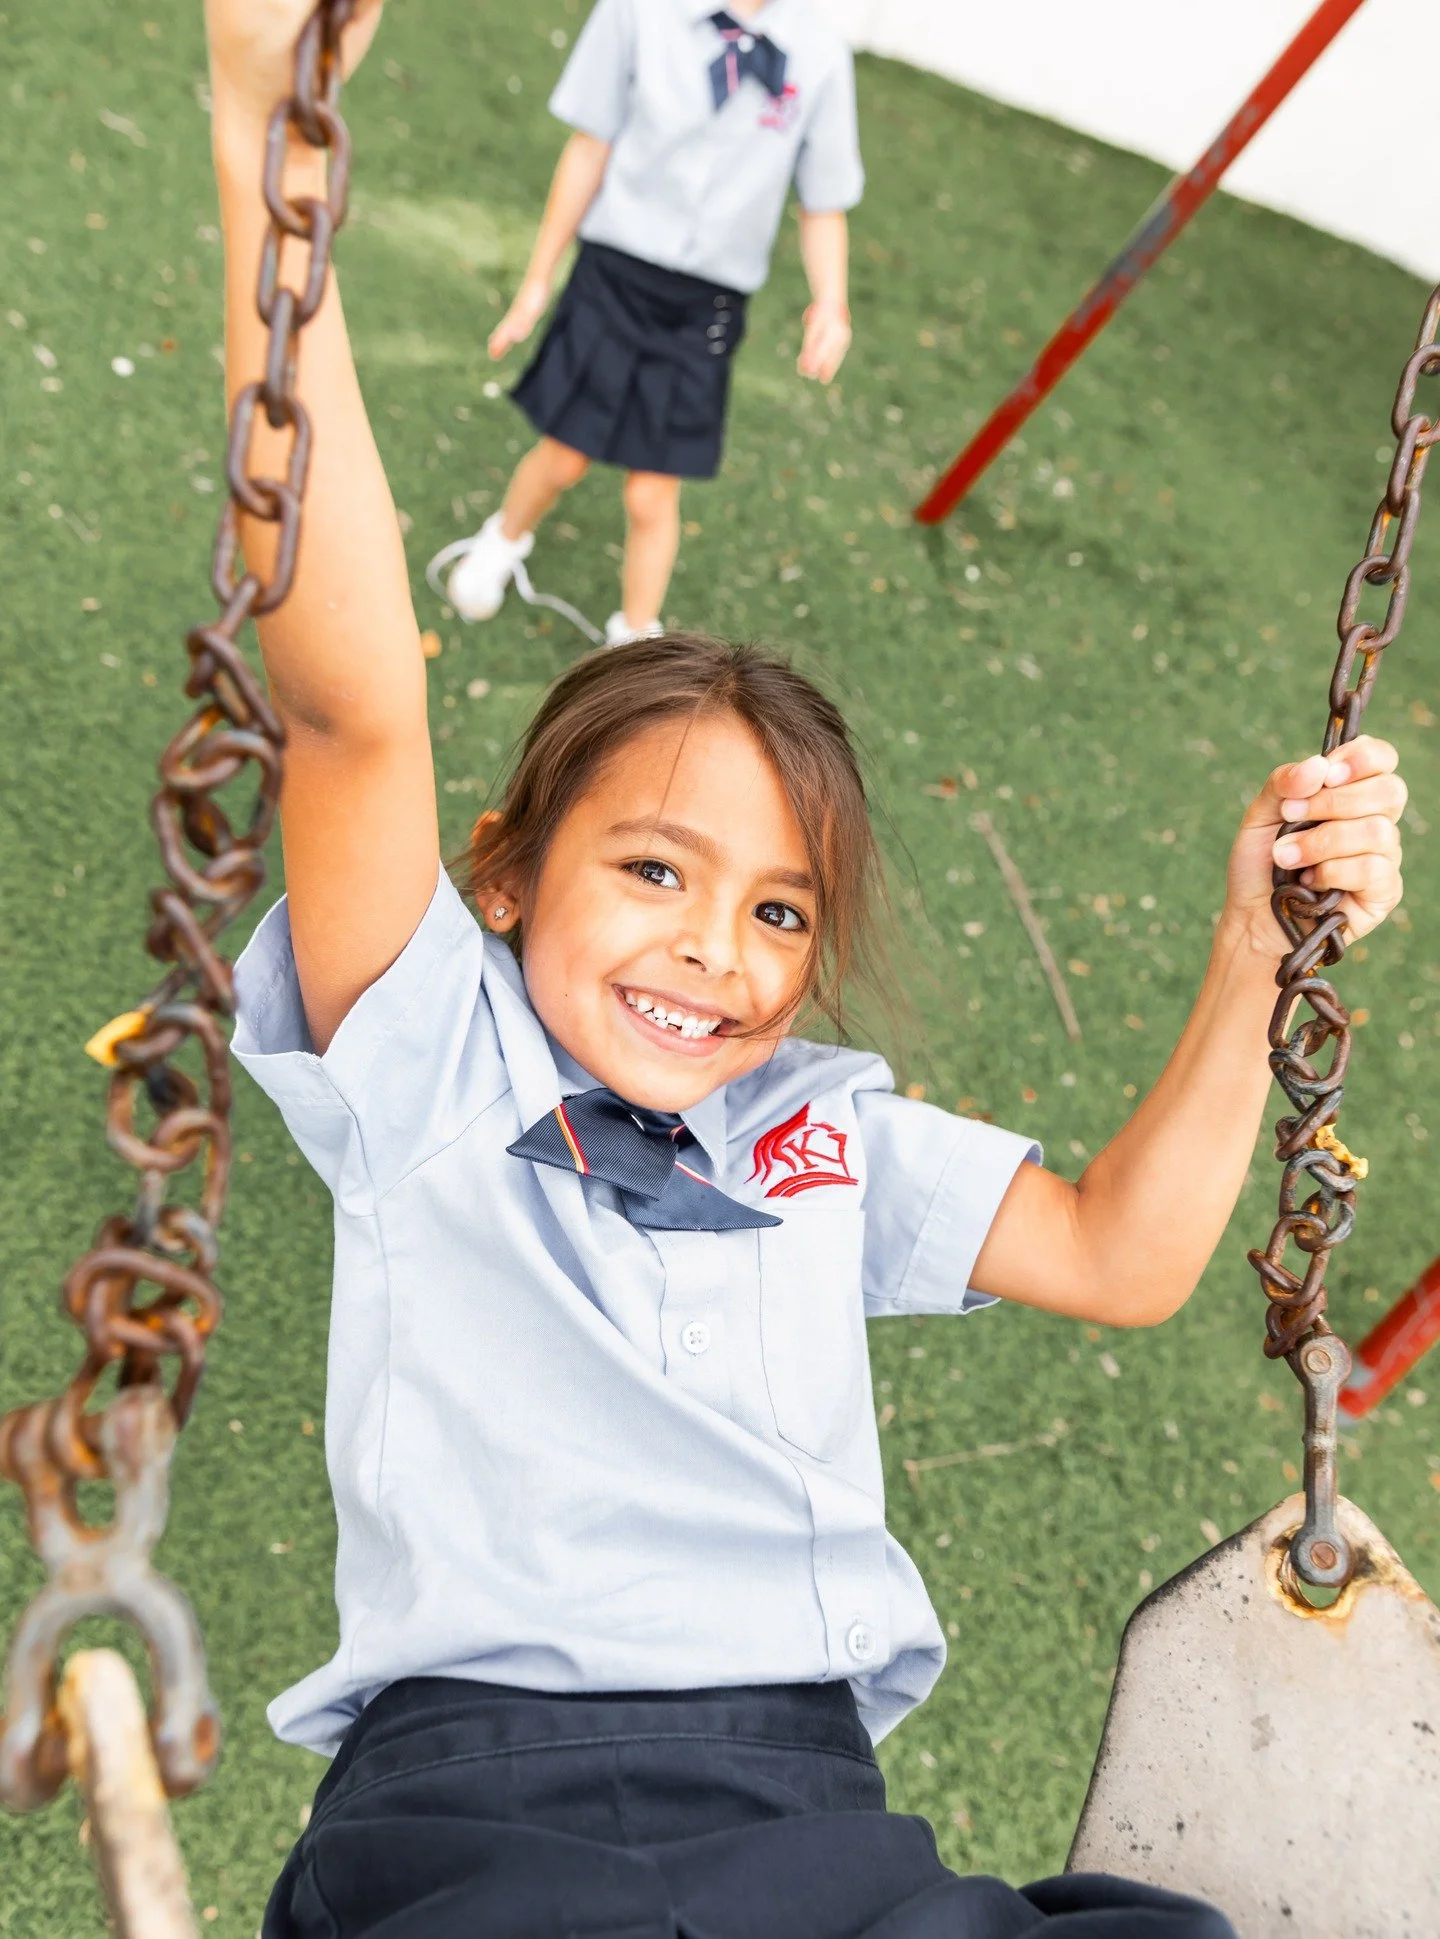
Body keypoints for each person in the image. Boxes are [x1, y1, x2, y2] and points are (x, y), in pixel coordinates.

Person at [205, 5, 1407, 1934]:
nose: (717, 944)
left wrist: (1253, 949)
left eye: (779, 909)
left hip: (810, 1810)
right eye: (653, 867)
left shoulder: (820, 1137)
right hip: (484, 1809)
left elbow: (1121, 1253)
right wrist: (268, 114)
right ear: (502, 873)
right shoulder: (430, 1050)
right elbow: (351, 706)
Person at [440, 0, 861, 647]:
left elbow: (823, 202)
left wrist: (831, 302)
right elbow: (589, 148)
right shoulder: (638, 10)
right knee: (564, 455)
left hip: (707, 306)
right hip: (613, 275)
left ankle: (636, 636)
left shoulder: (822, 53)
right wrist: (537, 280)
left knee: (651, 494)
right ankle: (503, 538)